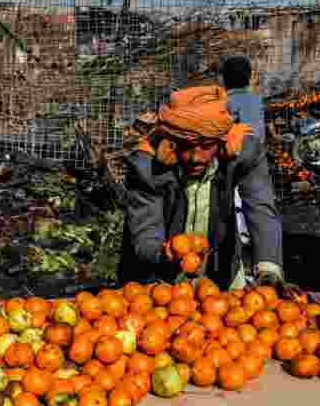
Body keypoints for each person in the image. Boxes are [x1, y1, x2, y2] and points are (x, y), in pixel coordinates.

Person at [118, 86, 284, 291]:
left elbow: (261, 207)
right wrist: (165, 253)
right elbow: (146, 229)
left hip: (221, 267)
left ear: (220, 139)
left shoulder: (242, 151)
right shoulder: (147, 164)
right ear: (172, 141)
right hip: (158, 280)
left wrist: (268, 267)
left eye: (206, 146)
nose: (196, 157)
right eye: (187, 146)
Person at [221, 56, 263, 249]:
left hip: (237, 153)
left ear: (224, 78)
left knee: (235, 193)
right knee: (255, 197)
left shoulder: (226, 101)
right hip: (258, 154)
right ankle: (252, 233)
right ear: (248, 77)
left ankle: (239, 233)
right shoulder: (256, 99)